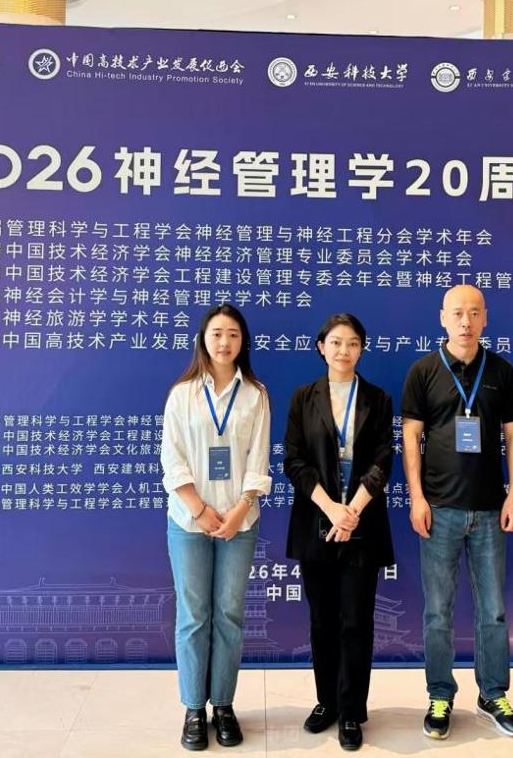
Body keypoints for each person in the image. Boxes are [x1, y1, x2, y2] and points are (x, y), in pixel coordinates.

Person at [400, 284, 513, 741]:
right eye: (457, 313)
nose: (465, 321)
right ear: (442, 318)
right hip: (439, 511)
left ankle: (493, 694)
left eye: (474, 312)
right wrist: (417, 498)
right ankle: (440, 695)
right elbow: (410, 438)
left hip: (490, 510)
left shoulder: (501, 371)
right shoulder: (423, 371)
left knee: (493, 611)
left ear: (485, 317)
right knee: (438, 612)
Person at [160, 304, 272, 751]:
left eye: (233, 335)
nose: (224, 343)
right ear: (202, 340)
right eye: (217, 334)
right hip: (189, 520)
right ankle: (193, 708)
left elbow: (259, 460)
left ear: (243, 342)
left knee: (228, 613)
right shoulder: (182, 394)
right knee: (193, 615)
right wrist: (199, 509)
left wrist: (241, 509)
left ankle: (223, 704)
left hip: (239, 521)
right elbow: (172, 459)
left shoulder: (256, 395)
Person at [284, 313, 395, 752]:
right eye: (335, 342)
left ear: (361, 349)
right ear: (321, 348)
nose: (343, 350)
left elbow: (383, 459)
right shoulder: (303, 397)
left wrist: (352, 512)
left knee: (355, 621)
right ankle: (326, 702)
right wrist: (331, 509)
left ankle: (351, 711)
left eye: (352, 343)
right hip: (316, 521)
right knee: (322, 619)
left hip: (362, 522)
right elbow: (294, 460)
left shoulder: (378, 398)